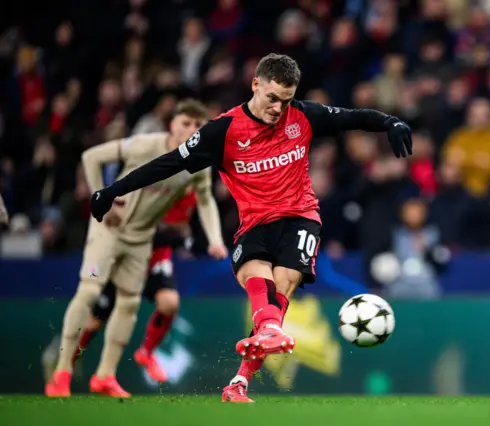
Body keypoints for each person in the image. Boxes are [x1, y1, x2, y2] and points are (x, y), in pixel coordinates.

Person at [89, 53, 413, 402]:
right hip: (254, 223)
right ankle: (240, 379)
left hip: (300, 216)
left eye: (285, 100)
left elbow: (353, 118)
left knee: (282, 286)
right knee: (263, 291)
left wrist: (391, 122)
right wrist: (112, 191)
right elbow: (168, 164)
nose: (278, 108)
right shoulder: (223, 130)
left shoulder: (301, 115)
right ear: (255, 84)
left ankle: (263, 340)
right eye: (272, 98)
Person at [46, 99, 228, 398]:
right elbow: (91, 156)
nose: (192, 129)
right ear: (172, 124)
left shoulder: (198, 164)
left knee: (129, 304)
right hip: (109, 231)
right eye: (186, 122)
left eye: (198, 125)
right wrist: (99, 197)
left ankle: (105, 375)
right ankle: (62, 370)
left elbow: (206, 200)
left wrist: (216, 240)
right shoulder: (145, 145)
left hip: (142, 239)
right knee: (90, 291)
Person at [73, 190, 198, 383]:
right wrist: (180, 240)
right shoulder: (143, 185)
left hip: (155, 259)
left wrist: (193, 238)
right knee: (95, 321)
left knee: (169, 303)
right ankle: (67, 362)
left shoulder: (191, 192)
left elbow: (185, 225)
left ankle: (146, 352)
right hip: (125, 259)